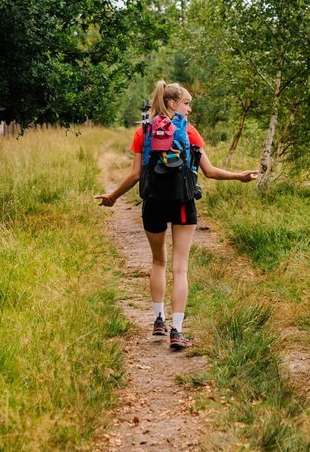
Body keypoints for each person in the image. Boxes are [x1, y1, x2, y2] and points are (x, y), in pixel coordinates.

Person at [95, 80, 258, 351]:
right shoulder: (189, 132)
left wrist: (113, 197)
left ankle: (158, 320)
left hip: (153, 203)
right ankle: (177, 331)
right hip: (183, 202)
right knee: (180, 267)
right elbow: (210, 171)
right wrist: (238, 176)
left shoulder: (144, 131)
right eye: (187, 103)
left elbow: (136, 175)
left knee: (159, 261)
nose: (190, 109)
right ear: (173, 104)